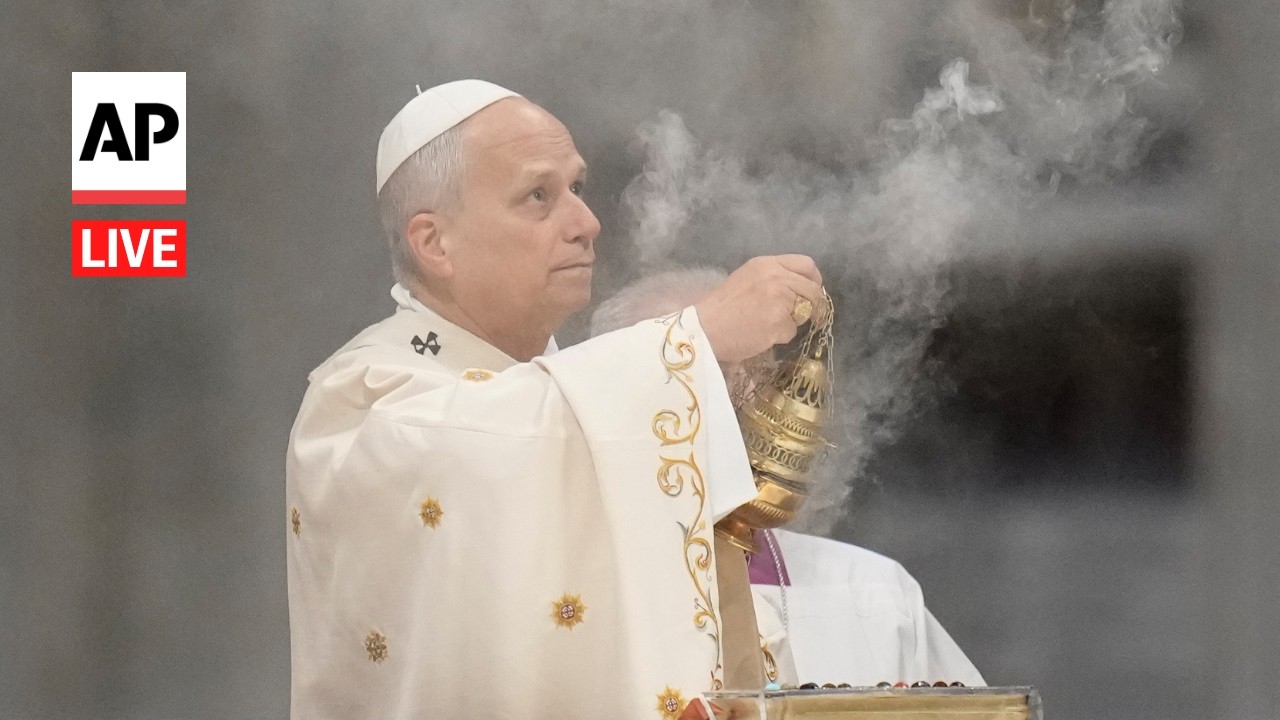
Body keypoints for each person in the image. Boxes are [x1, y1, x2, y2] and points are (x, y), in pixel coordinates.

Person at [285, 80, 825, 719]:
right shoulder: (364, 399)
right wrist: (693, 340)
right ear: (435, 242)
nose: (586, 223)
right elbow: (467, 451)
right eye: (539, 196)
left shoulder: (578, 390)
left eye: (578, 188)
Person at [590, 267, 986, 688]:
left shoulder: (875, 597)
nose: (740, 398)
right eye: (698, 371)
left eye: (759, 371)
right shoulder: (566, 599)